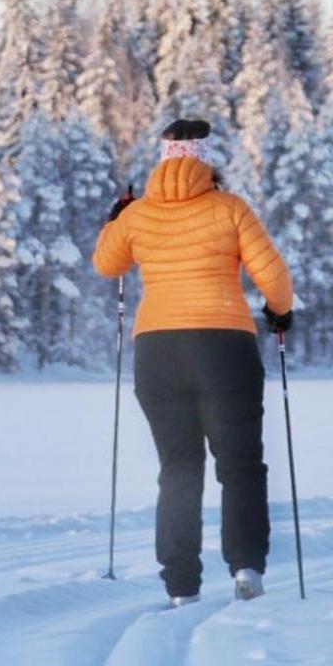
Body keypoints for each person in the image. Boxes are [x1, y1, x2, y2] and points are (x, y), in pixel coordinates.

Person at [92, 117, 293, 605]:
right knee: (240, 464)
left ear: (162, 162)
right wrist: (280, 314)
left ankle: (182, 586)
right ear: (207, 163)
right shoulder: (229, 209)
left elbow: (106, 263)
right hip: (224, 347)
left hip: (158, 352)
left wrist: (117, 218)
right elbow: (275, 279)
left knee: (179, 468)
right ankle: (246, 567)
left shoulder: (137, 215)